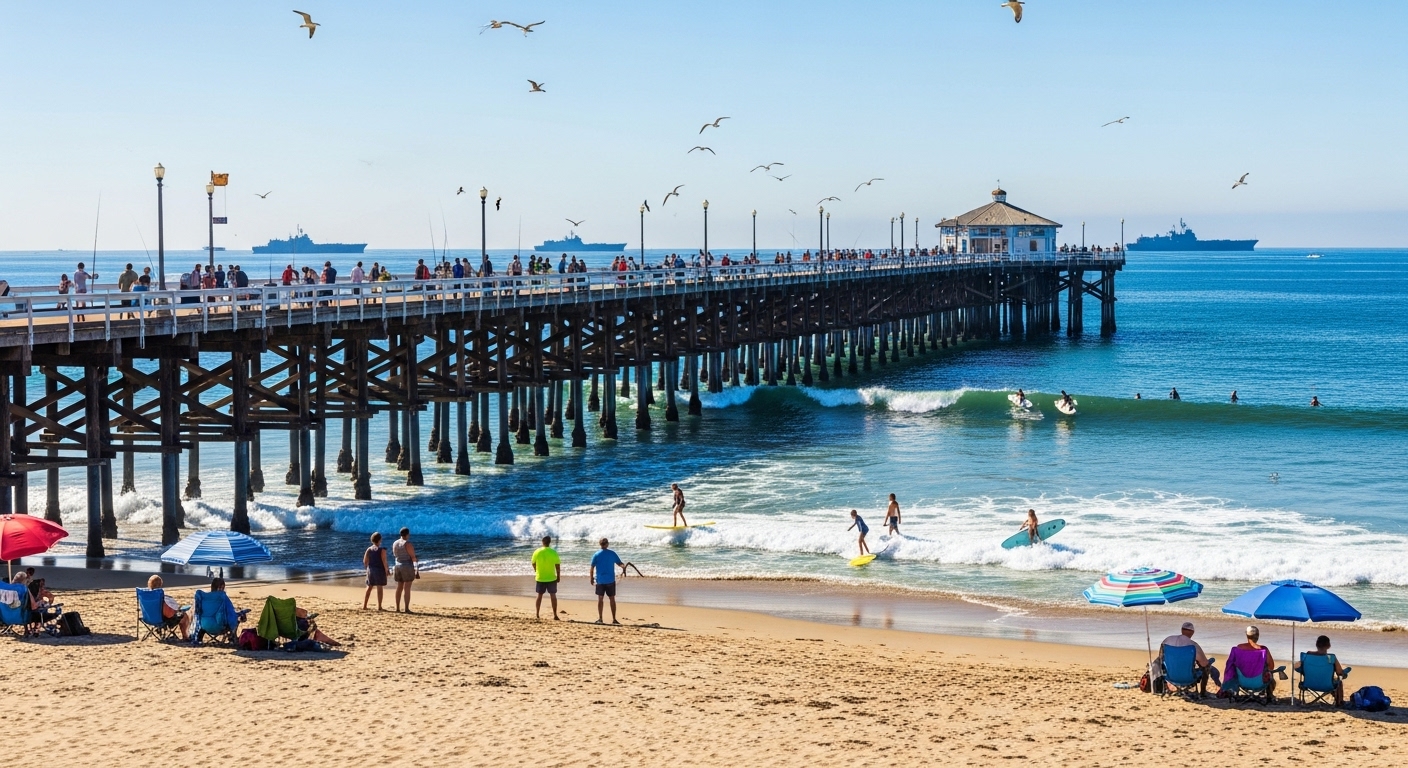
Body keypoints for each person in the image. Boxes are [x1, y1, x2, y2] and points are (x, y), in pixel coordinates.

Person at [1158, 621, 1221, 695]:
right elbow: (1204, 664)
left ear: (1181, 630)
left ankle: (1166, 688)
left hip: (1170, 676)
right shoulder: (1193, 646)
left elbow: (1160, 658)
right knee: (1207, 667)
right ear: (1192, 632)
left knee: (1161, 663)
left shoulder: (1167, 640)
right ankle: (1203, 692)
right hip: (1188, 678)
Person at [1224, 625, 1278, 697]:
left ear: (1247, 635)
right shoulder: (1263, 650)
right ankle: (1269, 696)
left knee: (1234, 669)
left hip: (1241, 682)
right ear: (1258, 636)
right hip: (1260, 683)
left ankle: (1236, 694)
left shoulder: (1238, 649)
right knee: (1270, 674)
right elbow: (1271, 666)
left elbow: (1230, 665)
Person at [1295, 635, 1348, 707]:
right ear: (1329, 646)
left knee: (1336, 681)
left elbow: (1297, 668)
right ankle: (1339, 702)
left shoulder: (1308, 655)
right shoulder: (1331, 658)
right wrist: (1344, 673)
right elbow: (1339, 673)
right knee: (1339, 682)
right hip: (1328, 685)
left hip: (1308, 684)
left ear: (1316, 644)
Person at [589, 537, 625, 624]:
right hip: (610, 580)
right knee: (612, 599)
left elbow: (592, 567)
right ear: (607, 544)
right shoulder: (612, 553)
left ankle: (600, 619)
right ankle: (614, 619)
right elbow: (619, 563)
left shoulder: (596, 554)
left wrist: (591, 578)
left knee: (600, 599)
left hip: (600, 581)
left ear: (600, 544)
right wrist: (623, 566)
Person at [146, 575, 191, 641]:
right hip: (161, 620)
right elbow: (168, 613)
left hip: (148, 618)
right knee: (184, 616)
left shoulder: (146, 595)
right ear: (161, 584)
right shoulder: (160, 597)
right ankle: (185, 636)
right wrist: (176, 610)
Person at [531, 535, 561, 620]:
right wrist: (558, 576)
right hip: (551, 577)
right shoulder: (553, 552)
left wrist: (536, 571)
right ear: (549, 542)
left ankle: (537, 614)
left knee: (539, 595)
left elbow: (533, 563)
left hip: (540, 577)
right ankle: (555, 615)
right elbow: (557, 566)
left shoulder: (537, 551)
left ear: (542, 542)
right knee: (553, 595)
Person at [391, 527, 418, 613]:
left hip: (398, 566)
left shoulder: (395, 543)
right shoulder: (407, 544)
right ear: (407, 534)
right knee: (407, 588)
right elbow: (413, 557)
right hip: (407, 566)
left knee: (399, 587)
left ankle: (397, 608)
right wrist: (416, 568)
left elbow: (395, 555)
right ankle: (406, 608)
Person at [363, 532, 389, 610]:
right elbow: (384, 561)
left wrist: (368, 568)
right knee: (379, 588)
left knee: (369, 587)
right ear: (380, 540)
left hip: (371, 570)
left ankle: (365, 605)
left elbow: (365, 561)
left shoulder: (369, 549)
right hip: (379, 570)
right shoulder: (382, 550)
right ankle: (379, 606)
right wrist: (387, 570)